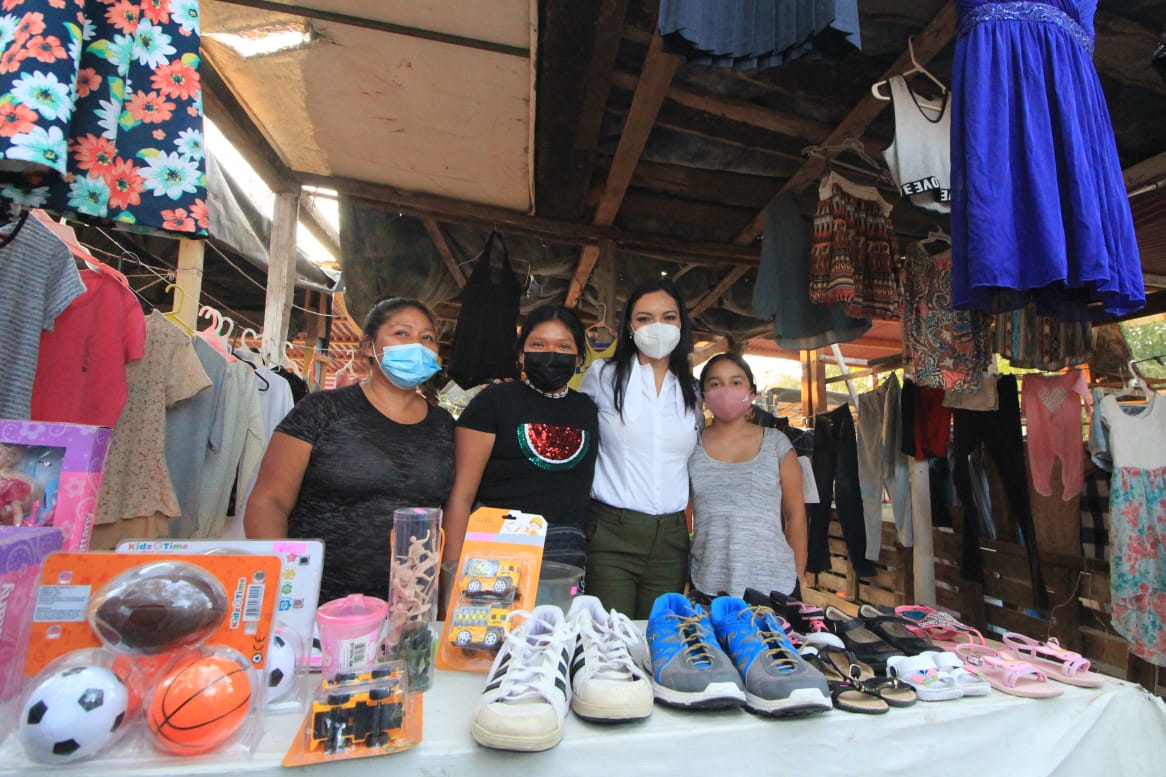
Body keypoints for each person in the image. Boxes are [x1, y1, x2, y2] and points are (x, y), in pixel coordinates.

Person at [245, 297, 455, 604]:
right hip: (317, 603)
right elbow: (269, 501)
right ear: (368, 346)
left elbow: (451, 511)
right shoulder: (322, 410)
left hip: (410, 607)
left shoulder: (444, 425)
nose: (417, 345)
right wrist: (282, 587)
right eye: (401, 333)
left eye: (427, 338)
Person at [579, 279, 701, 618]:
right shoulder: (603, 376)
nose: (657, 326)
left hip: (671, 540)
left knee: (658, 635)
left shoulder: (692, 390)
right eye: (644, 318)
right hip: (611, 535)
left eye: (668, 317)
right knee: (611, 636)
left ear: (681, 325)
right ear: (629, 328)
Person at [443, 305, 598, 569]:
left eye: (563, 346)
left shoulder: (588, 409)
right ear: (521, 355)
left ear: (579, 358)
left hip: (565, 558)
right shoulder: (493, 401)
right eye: (538, 344)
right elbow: (461, 497)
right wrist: (451, 573)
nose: (551, 354)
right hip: (495, 554)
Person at [687, 353, 808, 601]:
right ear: (704, 396)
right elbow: (683, 518)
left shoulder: (776, 444)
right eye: (715, 384)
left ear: (751, 393)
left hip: (775, 587)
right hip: (708, 584)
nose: (726, 391)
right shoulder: (690, 446)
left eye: (736, 382)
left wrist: (798, 575)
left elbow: (795, 516)